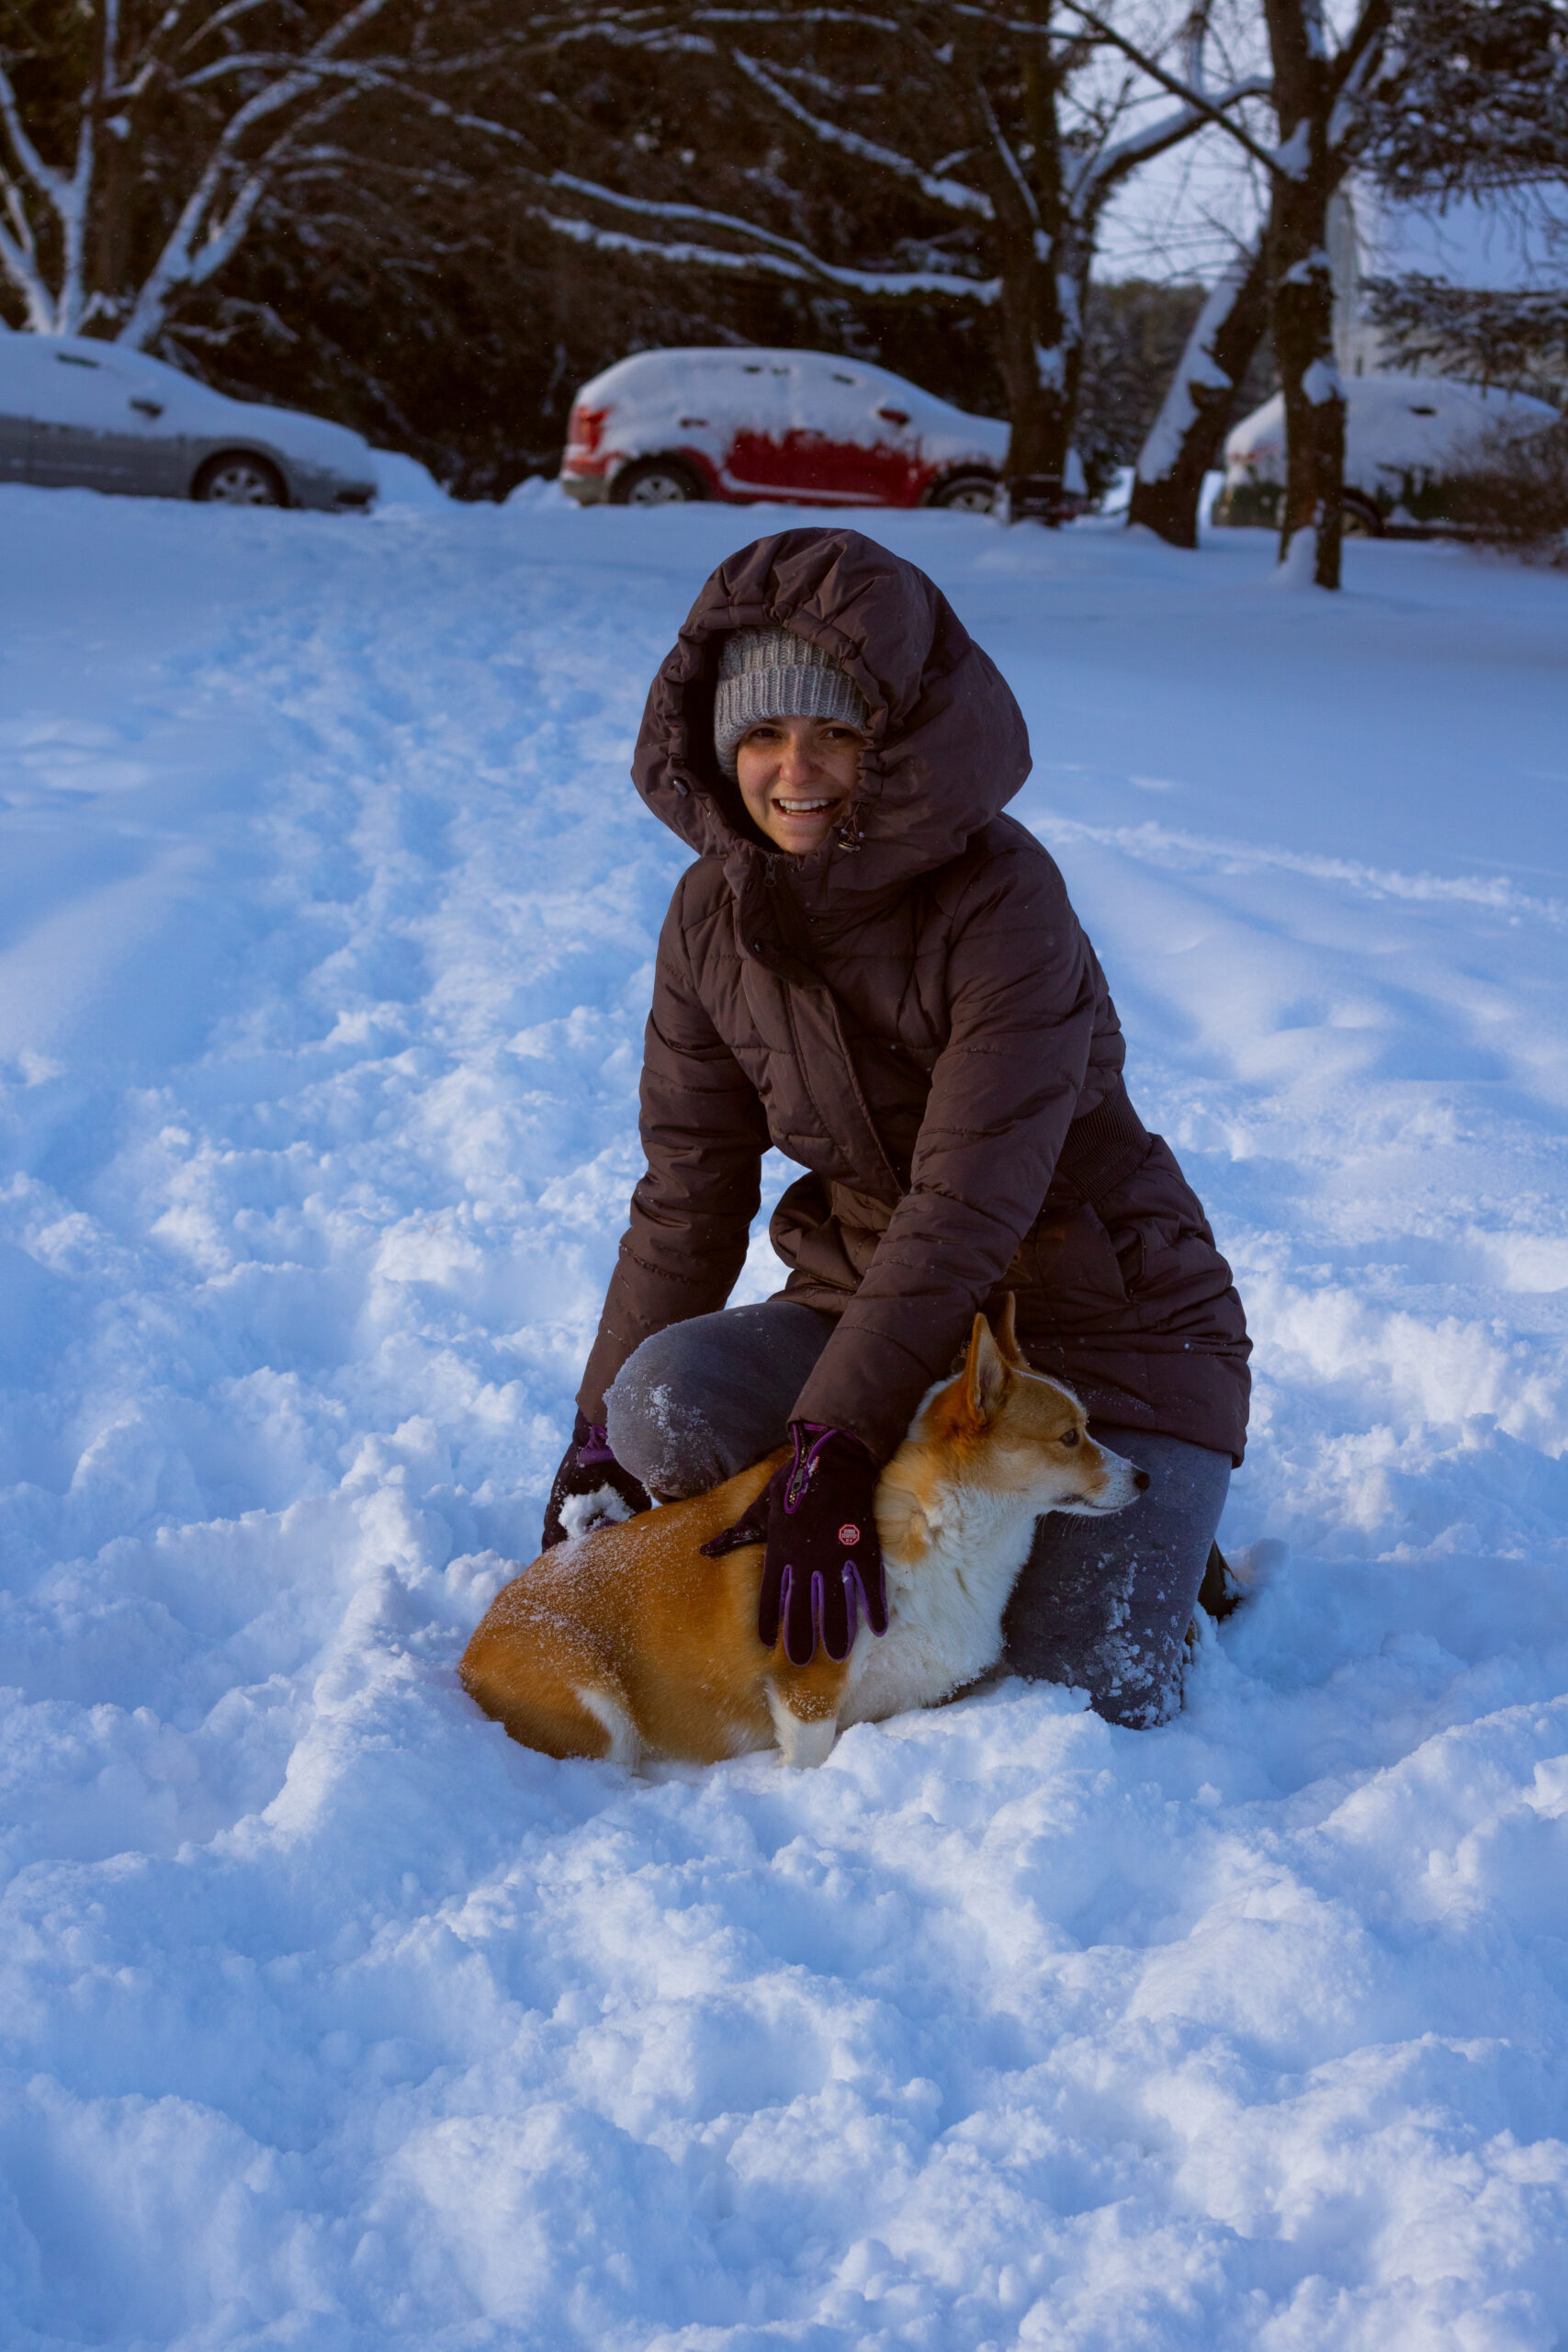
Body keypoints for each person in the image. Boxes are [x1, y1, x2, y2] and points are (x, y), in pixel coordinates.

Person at [542, 526, 1248, 1728]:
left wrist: (831, 1436)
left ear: (903, 744)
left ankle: (1163, 1545)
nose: (795, 770)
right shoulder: (710, 917)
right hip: (874, 1306)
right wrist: (593, 1439)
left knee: (1071, 1693)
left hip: (1105, 1332)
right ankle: (906, 1506)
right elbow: (688, 1190)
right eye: (762, 733)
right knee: (663, 1405)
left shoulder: (1005, 901)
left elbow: (969, 1199)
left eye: (838, 732)